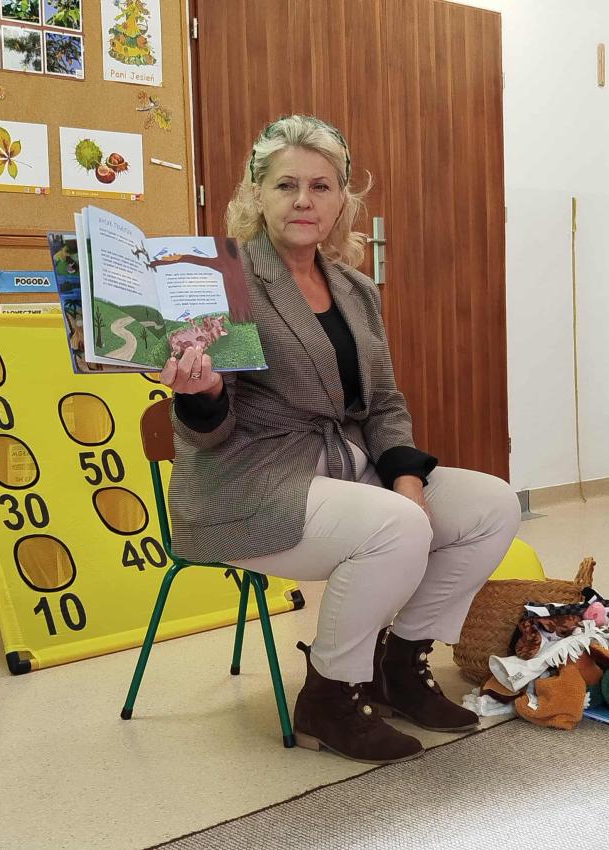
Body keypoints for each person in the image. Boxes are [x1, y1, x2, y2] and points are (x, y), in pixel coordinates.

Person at [160, 114, 521, 765]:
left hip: (344, 469)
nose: (304, 200)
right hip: (247, 482)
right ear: (256, 194)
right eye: (286, 185)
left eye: (321, 186)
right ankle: (329, 695)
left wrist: (407, 477)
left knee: (493, 505)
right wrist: (201, 392)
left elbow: (384, 402)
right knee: (396, 525)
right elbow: (208, 433)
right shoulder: (221, 280)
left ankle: (399, 664)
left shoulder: (354, 288)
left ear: (341, 200)